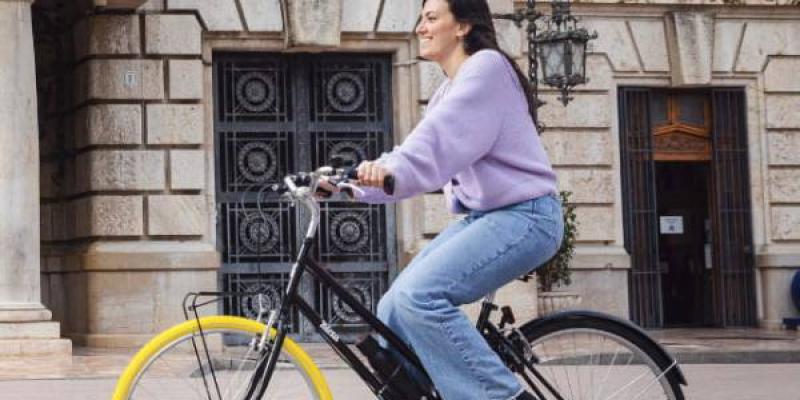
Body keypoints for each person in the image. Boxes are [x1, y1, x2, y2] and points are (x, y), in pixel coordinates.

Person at [323, 0, 563, 398]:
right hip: (489, 218)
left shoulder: (486, 69)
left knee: (420, 297)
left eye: (431, 17)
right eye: (420, 18)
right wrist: (342, 183)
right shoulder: (448, 90)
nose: (420, 27)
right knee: (393, 309)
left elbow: (429, 152)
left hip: (525, 216)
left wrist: (381, 175)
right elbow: (413, 150)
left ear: (463, 25)